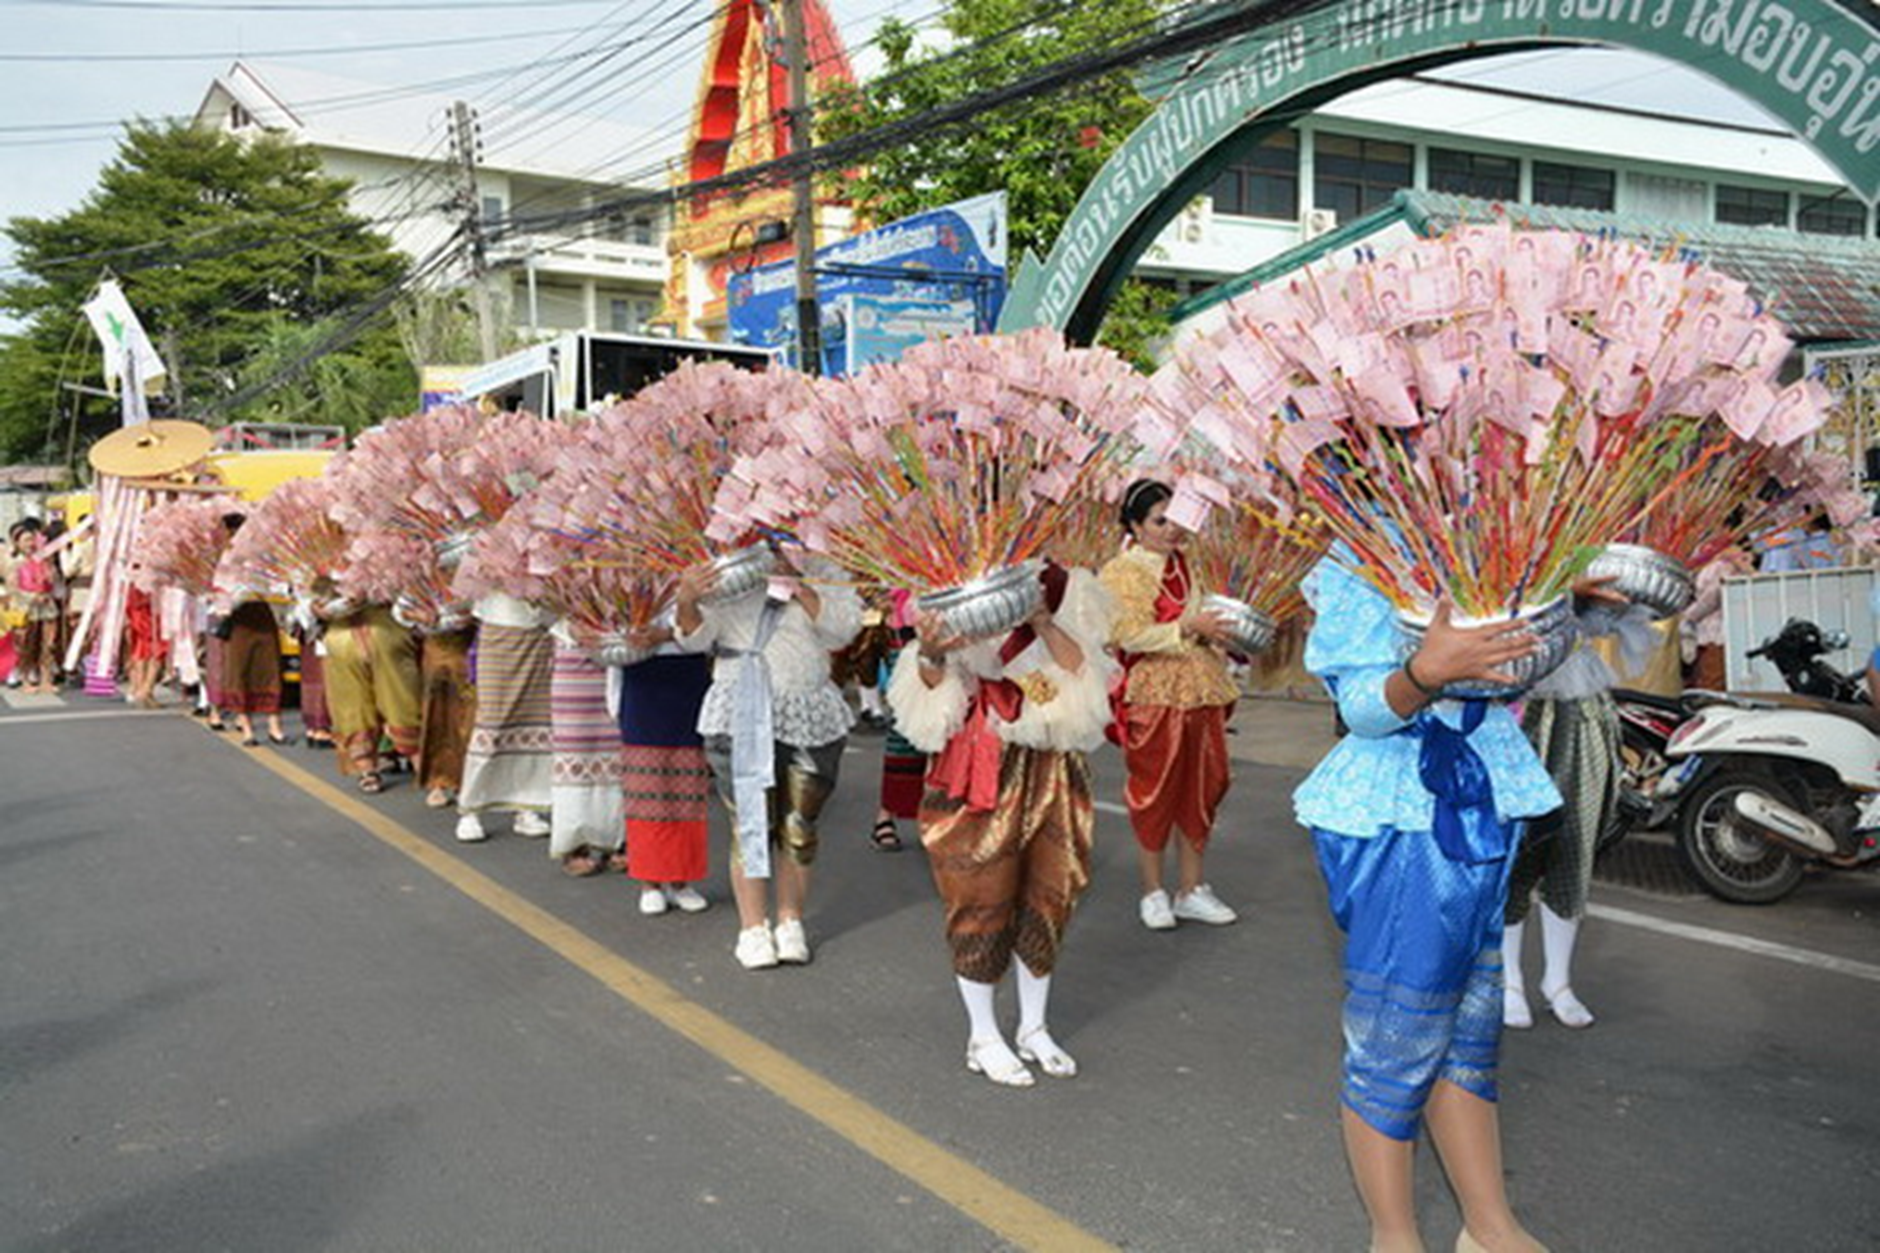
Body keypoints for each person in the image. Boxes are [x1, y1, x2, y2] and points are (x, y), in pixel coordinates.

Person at [1297, 558, 1557, 1253]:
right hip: (1398, 816)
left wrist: (1577, 598)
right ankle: (1395, 1237)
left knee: (1468, 1025)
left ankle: (1489, 1223)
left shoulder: (1488, 530)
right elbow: (1359, 706)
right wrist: (1424, 672)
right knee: (1397, 1036)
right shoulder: (1360, 552)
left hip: (1486, 793)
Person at [887, 562, 1116, 1088]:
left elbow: (1088, 672)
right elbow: (927, 686)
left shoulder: (1063, 582)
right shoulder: (949, 578)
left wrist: (1043, 621)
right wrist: (931, 650)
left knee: (1050, 891)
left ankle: (1034, 1026)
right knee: (978, 893)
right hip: (977, 759)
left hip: (1052, 760)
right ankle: (984, 1033)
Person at [675, 544, 860, 970]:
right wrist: (687, 597)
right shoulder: (728, 566)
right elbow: (696, 638)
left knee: (799, 824)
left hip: (807, 710)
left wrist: (797, 584)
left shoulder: (823, 567)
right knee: (749, 822)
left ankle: (790, 921)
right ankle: (752, 927)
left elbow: (843, 629)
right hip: (739, 710)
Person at [1098, 479, 1242, 930]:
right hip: (1154, 692)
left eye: (1177, 519)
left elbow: (1203, 620)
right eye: (1160, 521)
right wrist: (1187, 627)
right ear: (1136, 526)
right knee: (1154, 790)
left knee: (1205, 786)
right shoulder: (1124, 571)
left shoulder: (1189, 564)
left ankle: (1192, 889)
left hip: (1203, 689)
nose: (1172, 530)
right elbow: (1125, 634)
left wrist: (1218, 634)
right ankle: (1153, 891)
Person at [1504, 584, 1643, 1032]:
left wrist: (1610, 598)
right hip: (1517, 702)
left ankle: (1558, 982)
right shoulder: (1494, 526)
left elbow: (1603, 622)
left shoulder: (1586, 535)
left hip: (1581, 704)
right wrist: (1563, 586)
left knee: (1575, 840)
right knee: (1517, 847)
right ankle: (1508, 981)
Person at [607, 621, 714, 916]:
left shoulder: (694, 574)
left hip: (687, 672)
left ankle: (681, 880)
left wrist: (669, 633)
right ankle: (650, 881)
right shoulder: (627, 576)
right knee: (646, 789)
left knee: (688, 787)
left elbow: (710, 620)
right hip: (641, 669)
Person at [455, 590, 555, 842]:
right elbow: (461, 572)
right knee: (492, 722)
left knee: (537, 721)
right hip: (500, 628)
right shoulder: (482, 550)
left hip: (542, 630)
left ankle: (527, 807)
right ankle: (470, 809)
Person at [319, 598, 421, 790]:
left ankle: (424, 768)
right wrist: (315, 607)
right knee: (353, 706)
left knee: (403, 700)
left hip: (387, 630)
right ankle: (366, 768)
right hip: (342, 636)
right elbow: (306, 597)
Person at [548, 628, 626, 877]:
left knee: (622, 748)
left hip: (625, 652)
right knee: (575, 750)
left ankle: (621, 839)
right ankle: (575, 845)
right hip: (574, 652)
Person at [7, 521, 59, 695]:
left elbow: (52, 581)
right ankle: (25, 678)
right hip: (26, 606)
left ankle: (46, 679)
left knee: (48, 644)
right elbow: (12, 589)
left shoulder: (43, 560)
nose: (30, 544)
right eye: (25, 540)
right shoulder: (15, 562)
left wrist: (50, 570)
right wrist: (31, 597)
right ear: (17, 543)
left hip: (46, 604)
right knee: (26, 645)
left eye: (32, 540)